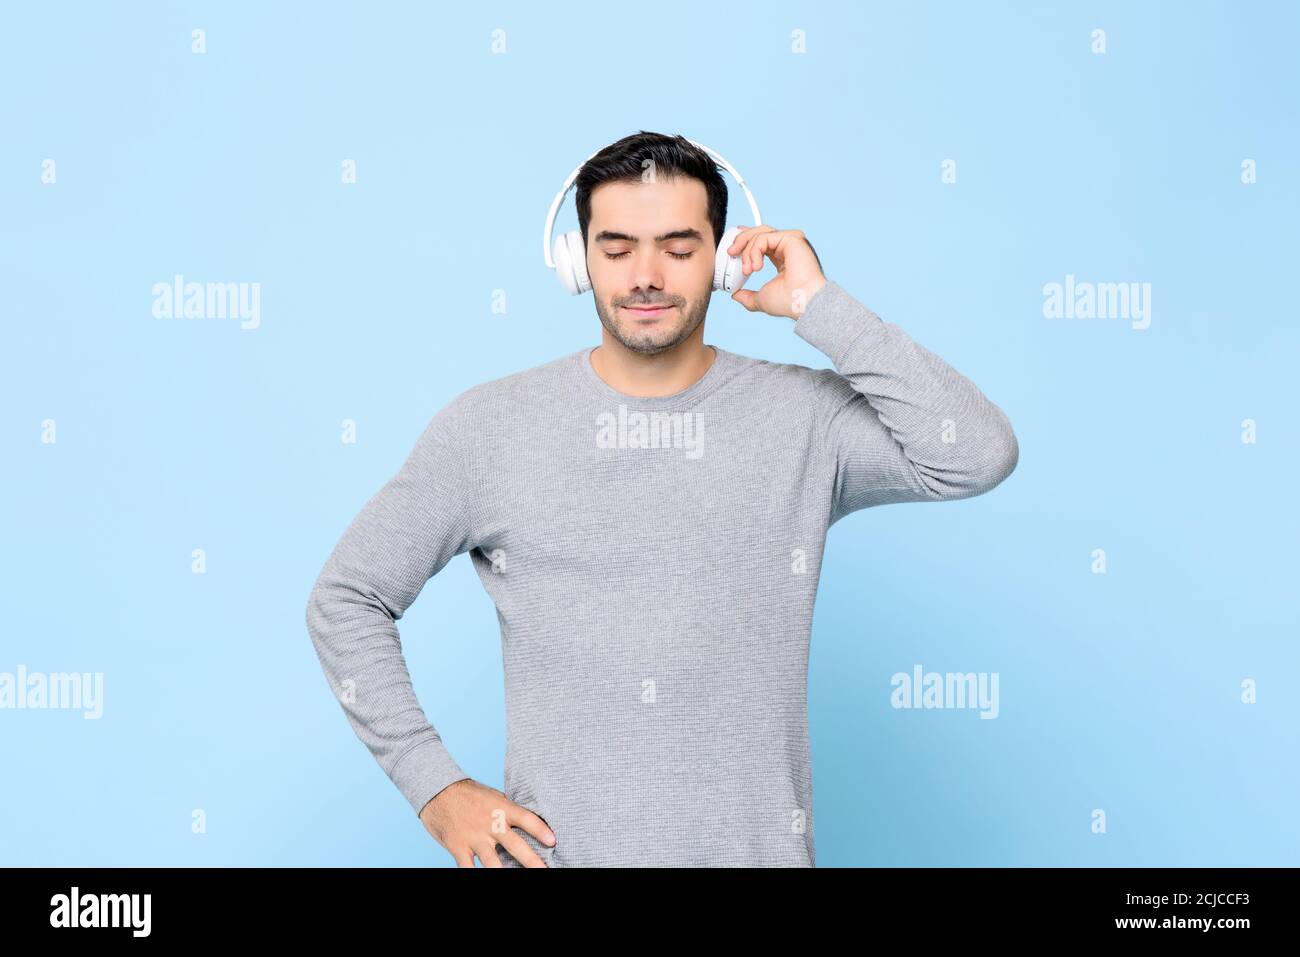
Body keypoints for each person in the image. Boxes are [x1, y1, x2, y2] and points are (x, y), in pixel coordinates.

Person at [304, 131, 1018, 867]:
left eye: (679, 248)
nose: (646, 275)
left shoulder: (804, 419)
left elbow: (976, 453)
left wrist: (816, 302)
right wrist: (436, 788)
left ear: (722, 256)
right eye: (616, 248)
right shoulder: (490, 428)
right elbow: (347, 597)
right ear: (577, 262)